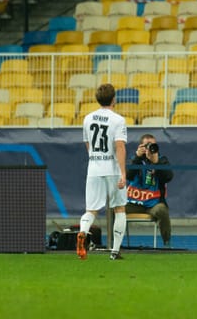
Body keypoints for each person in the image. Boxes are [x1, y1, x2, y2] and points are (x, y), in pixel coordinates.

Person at [78, 83, 128, 261]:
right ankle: (115, 251)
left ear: (97, 99)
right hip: (112, 168)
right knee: (119, 208)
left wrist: (95, 159)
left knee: (91, 209)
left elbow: (88, 145)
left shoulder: (87, 118)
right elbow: (120, 146)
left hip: (94, 168)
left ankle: (83, 232)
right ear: (114, 99)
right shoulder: (118, 120)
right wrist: (123, 173)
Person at [126, 133, 174, 247]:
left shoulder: (162, 160)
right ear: (140, 146)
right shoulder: (135, 159)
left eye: (153, 145)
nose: (150, 148)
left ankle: (167, 243)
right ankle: (114, 242)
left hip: (154, 204)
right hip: (135, 203)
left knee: (162, 210)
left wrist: (156, 163)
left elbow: (169, 177)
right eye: (147, 145)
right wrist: (137, 157)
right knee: (115, 209)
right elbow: (128, 176)